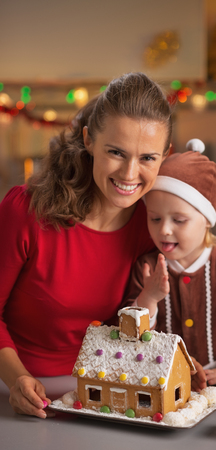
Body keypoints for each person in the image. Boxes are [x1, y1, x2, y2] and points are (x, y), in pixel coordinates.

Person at [0, 72, 173, 418]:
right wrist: (17, 377)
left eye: (147, 158)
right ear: (89, 141)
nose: (129, 174)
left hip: (101, 395)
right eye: (116, 152)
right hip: (13, 391)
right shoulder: (26, 210)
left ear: (165, 156)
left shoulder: (150, 224)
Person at [125, 139, 216, 391]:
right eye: (155, 218)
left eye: (179, 220)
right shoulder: (147, 267)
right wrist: (148, 297)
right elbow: (130, 336)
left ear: (207, 219)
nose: (164, 229)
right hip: (162, 381)